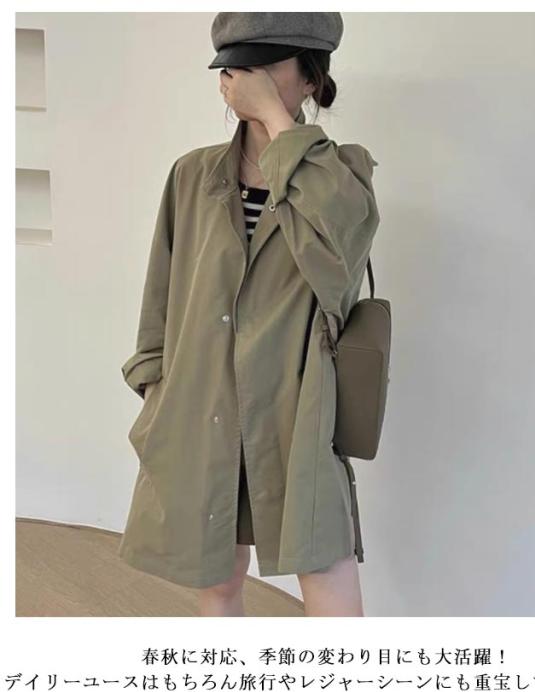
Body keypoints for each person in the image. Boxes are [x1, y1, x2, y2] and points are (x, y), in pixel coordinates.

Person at [119, 13, 381, 617]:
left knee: (330, 584)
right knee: (218, 582)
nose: (246, 79)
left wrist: (276, 121)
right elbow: (161, 293)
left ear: (312, 78)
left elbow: (341, 258)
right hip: (201, 405)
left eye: (267, 67)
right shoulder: (193, 175)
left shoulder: (343, 175)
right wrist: (154, 389)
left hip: (297, 410)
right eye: (238, 67)